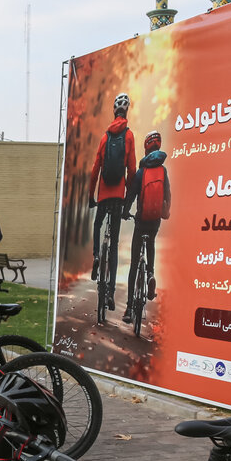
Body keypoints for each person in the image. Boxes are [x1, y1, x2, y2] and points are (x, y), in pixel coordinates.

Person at [88, 92, 137, 312]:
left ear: (113, 112)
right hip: (118, 197)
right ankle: (109, 293)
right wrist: (129, 201)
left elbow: (95, 169)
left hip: (104, 195)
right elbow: (132, 169)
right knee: (115, 245)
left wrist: (91, 196)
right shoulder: (129, 136)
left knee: (98, 224)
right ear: (126, 113)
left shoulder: (105, 137)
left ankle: (97, 255)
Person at [121, 130, 172, 322]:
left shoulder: (141, 172)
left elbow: (131, 196)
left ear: (146, 149)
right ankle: (150, 273)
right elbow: (167, 194)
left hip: (141, 220)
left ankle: (128, 309)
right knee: (150, 243)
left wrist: (126, 212)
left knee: (134, 263)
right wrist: (165, 212)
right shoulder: (163, 171)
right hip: (155, 221)